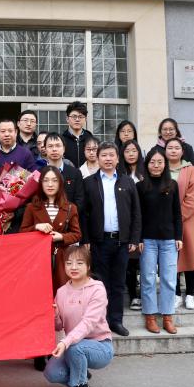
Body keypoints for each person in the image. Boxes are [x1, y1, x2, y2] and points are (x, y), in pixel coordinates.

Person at [81, 141, 141, 337]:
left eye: (111, 155)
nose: (108, 159)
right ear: (97, 158)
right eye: (104, 155)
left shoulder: (127, 182)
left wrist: (134, 239)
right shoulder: (89, 182)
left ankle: (116, 321)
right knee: (100, 283)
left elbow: (136, 213)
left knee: (118, 283)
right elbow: (84, 214)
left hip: (121, 242)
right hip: (99, 242)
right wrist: (86, 239)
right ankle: (101, 321)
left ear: (117, 158)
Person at [44, 245, 114, 387]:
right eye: (69, 263)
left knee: (76, 347)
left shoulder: (97, 289)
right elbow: (58, 325)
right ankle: (80, 373)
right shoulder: (61, 292)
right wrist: (54, 314)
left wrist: (65, 342)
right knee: (51, 373)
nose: (73, 267)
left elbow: (88, 322)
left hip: (100, 346)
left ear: (88, 266)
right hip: (72, 345)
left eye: (79, 263)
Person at [136, 148, 183, 334]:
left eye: (160, 162)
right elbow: (138, 215)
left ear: (165, 164)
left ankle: (167, 317)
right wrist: (139, 238)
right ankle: (150, 316)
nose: (156, 166)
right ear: (147, 164)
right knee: (148, 278)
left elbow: (177, 213)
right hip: (147, 241)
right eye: (152, 162)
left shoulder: (172, 185)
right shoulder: (140, 187)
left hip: (169, 241)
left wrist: (179, 237)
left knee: (169, 279)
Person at [21, 166, 81, 293]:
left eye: (54, 180)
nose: (50, 184)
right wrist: (36, 227)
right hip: (38, 259)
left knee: (61, 293)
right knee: (39, 293)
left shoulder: (70, 207)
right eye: (46, 180)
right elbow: (22, 232)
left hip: (61, 258)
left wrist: (62, 237)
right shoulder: (31, 207)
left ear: (60, 183)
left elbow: (77, 234)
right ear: (41, 183)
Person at [165, 138, 194, 310]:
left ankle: (190, 295)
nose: (173, 150)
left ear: (182, 151)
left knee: (190, 254)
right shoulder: (160, 168)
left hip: (187, 219)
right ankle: (175, 294)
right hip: (166, 221)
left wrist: (177, 216)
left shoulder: (191, 170)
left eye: (176, 148)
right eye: (170, 147)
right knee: (171, 257)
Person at [120, 139, 145, 311]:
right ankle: (133, 296)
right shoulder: (120, 174)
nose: (130, 154)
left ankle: (144, 294)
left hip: (145, 220)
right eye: (127, 151)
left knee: (144, 264)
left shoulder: (145, 172)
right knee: (130, 262)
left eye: (134, 151)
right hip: (127, 222)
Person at [44, 133, 85, 214]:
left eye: (58, 146)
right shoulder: (39, 174)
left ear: (64, 149)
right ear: (45, 149)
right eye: (50, 146)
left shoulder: (75, 173)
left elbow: (79, 201)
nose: (54, 149)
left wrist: (65, 217)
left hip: (69, 218)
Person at [62, 101, 93, 168]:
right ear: (67, 119)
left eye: (80, 117)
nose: (77, 119)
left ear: (85, 119)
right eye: (74, 116)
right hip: (68, 174)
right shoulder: (61, 140)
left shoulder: (91, 139)